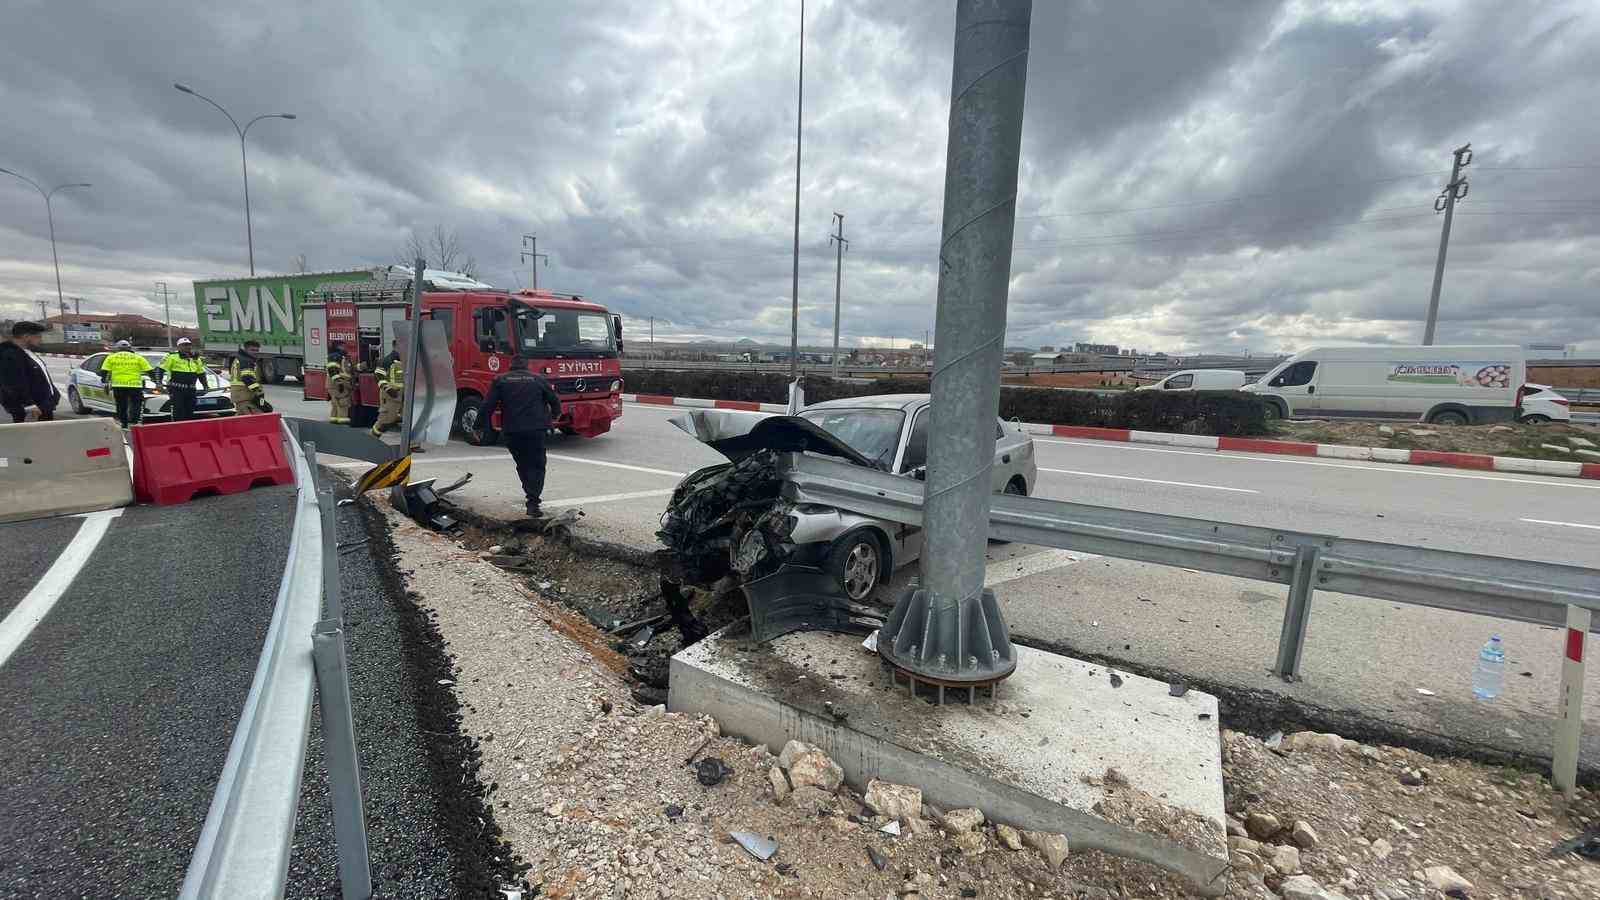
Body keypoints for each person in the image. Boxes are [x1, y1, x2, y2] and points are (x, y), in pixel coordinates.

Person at [479, 356, 561, 517]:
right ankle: (533, 501)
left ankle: (529, 492)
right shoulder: (538, 379)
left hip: (513, 431)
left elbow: (488, 405)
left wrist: (478, 425)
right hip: (536, 430)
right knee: (537, 465)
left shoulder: (500, 380)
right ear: (527, 366)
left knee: (522, 464)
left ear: (511, 366)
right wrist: (555, 416)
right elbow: (554, 401)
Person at [0, 321, 59, 423]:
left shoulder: (27, 352)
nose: (41, 339)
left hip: (42, 407)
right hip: (31, 411)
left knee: (46, 437)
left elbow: (41, 377)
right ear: (26, 336)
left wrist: (55, 395)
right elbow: (13, 383)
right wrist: (28, 405)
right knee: (31, 438)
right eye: (38, 336)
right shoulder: (9, 355)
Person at [99, 339, 153, 427]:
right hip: (135, 385)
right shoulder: (137, 357)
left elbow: (104, 372)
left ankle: (123, 423)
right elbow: (149, 370)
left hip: (118, 385)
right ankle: (134, 421)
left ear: (117, 348)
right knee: (136, 404)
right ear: (129, 348)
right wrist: (156, 381)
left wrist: (104, 382)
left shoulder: (111, 357)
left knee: (121, 405)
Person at [155, 338, 210, 421]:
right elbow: (160, 369)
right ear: (178, 347)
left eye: (188, 345)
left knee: (190, 411)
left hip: (191, 389)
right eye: (184, 345)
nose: (187, 347)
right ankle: (177, 429)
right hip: (176, 389)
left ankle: (187, 430)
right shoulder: (172, 356)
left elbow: (201, 373)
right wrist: (158, 383)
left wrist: (205, 385)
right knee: (178, 411)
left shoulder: (195, 358)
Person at [228, 340, 272, 415]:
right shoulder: (246, 361)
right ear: (245, 349)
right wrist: (259, 392)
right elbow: (247, 378)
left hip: (241, 396)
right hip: (245, 396)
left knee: (243, 419)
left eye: (257, 350)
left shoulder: (241, 358)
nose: (255, 352)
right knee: (256, 418)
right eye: (252, 350)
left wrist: (261, 401)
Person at [369, 350, 405, 437]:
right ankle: (372, 439)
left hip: (405, 395)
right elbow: (378, 375)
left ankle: (412, 445)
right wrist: (388, 389)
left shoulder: (408, 359)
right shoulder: (388, 360)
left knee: (410, 420)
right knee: (385, 421)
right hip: (391, 395)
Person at [326, 340, 353, 424]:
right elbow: (332, 370)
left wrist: (361, 366)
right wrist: (339, 383)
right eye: (342, 346)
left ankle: (334, 421)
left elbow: (347, 369)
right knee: (343, 403)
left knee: (335, 404)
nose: (344, 347)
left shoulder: (338, 356)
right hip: (338, 383)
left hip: (334, 383)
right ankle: (343, 422)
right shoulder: (336, 356)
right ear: (338, 346)